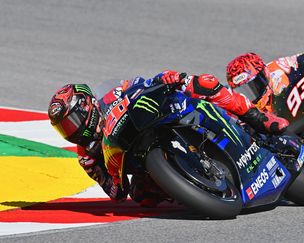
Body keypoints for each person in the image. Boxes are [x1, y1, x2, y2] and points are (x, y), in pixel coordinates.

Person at [47, 73, 289, 207]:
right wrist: (111, 178)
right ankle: (195, 187)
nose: (72, 131)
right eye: (64, 129)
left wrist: (167, 78)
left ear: (87, 105)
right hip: (141, 159)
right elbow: (115, 193)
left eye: (72, 121)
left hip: (160, 117)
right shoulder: (85, 155)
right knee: (141, 195)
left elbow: (143, 84)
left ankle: (258, 118)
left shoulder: (113, 95)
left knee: (202, 83)